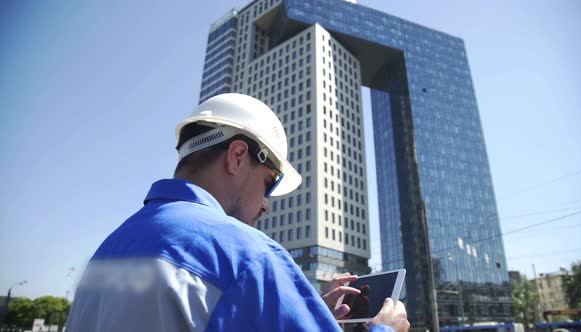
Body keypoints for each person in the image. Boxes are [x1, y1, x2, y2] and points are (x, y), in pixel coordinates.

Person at [66, 93, 410, 332]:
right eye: (268, 183)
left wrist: (300, 314)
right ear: (236, 156)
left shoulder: (109, 249)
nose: (266, 203)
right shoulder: (248, 256)